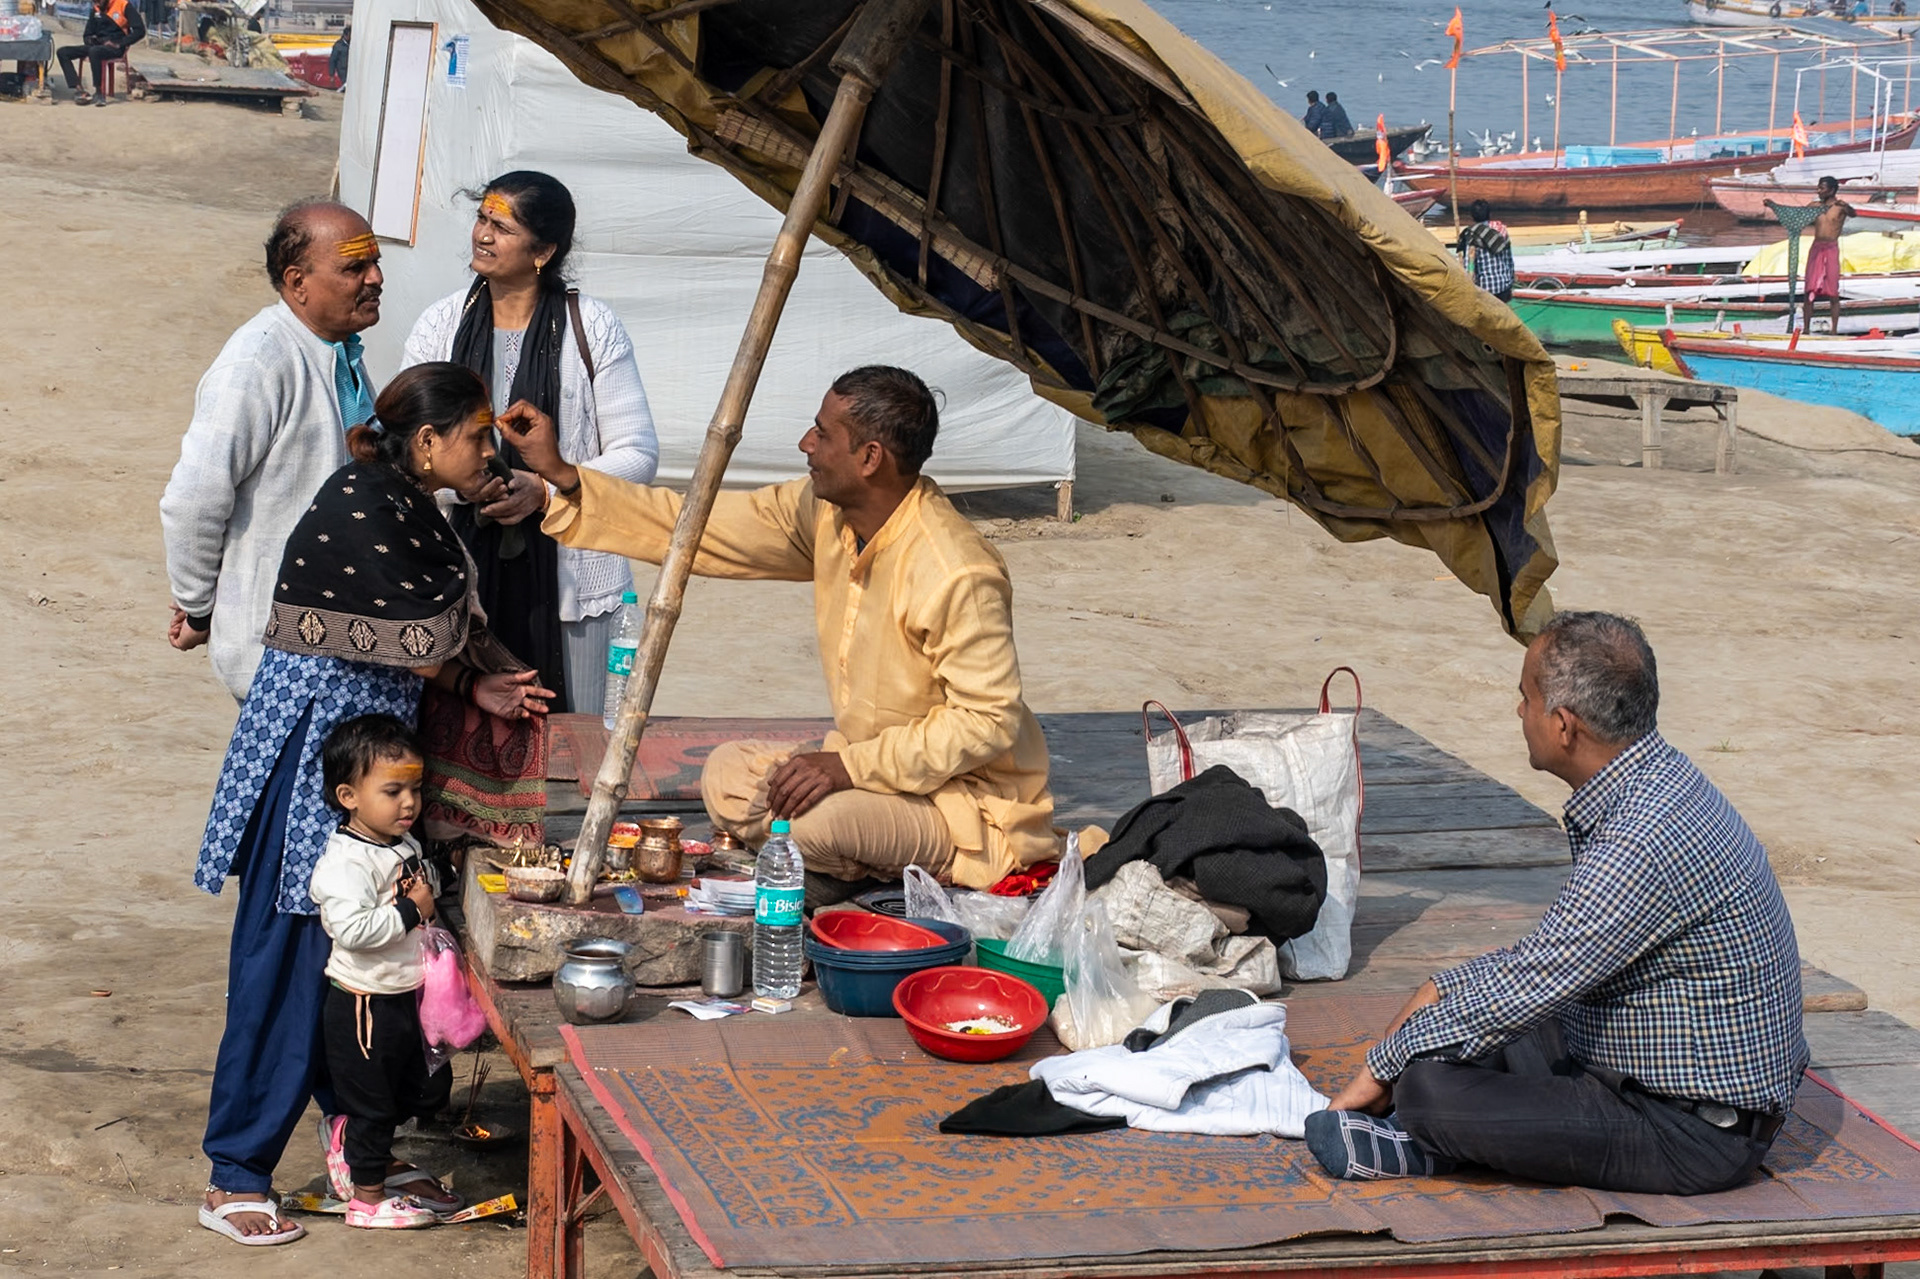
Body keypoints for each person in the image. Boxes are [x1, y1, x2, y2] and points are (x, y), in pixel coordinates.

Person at [191, 363, 553, 1246]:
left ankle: (360, 1157)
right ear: (428, 443)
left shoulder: (407, 505)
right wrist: (474, 676)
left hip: (366, 764)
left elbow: (424, 645)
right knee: (286, 962)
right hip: (319, 766)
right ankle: (235, 1173)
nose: (486, 449)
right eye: (475, 435)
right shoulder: (363, 506)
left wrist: (481, 685)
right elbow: (418, 631)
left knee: (351, 969)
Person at [498, 366, 1059, 903]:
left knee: (817, 823)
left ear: (869, 458)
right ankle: (847, 864)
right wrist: (565, 477)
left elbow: (986, 721)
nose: (805, 443)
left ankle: (862, 866)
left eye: (822, 432)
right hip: (868, 772)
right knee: (727, 775)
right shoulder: (825, 514)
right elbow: (700, 525)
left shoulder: (955, 569)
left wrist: (849, 769)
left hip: (963, 804)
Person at [1304, 612, 1806, 1196]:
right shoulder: (1659, 781)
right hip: (1646, 1066)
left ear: (1564, 726)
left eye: (1526, 697)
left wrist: (1385, 1064)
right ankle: (1458, 1124)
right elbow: (1553, 957)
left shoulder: (1641, 840)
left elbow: (1539, 978)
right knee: (1458, 1026)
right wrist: (1439, 992)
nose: (1519, 712)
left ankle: (1429, 1143)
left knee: (1427, 1090)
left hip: (1692, 1132)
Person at [401, 170, 659, 722]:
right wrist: (464, 486)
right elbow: (407, 447)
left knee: (580, 741)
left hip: (574, 582)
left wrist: (546, 487)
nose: (482, 235)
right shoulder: (441, 326)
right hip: (458, 573)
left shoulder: (592, 325)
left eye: (501, 226)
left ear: (543, 250)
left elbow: (637, 454)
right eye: (481, 219)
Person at [162, 201, 384, 702]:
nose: (375, 278)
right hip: (280, 656)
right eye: (354, 267)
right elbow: (194, 500)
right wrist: (198, 606)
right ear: (297, 281)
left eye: (375, 263)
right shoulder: (257, 363)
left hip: (335, 642)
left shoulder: (338, 352)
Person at [311, 714, 457, 1230]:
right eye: (392, 791)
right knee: (374, 1104)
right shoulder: (345, 863)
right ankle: (368, 1200)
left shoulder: (403, 843)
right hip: (363, 1003)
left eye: (415, 789)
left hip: (406, 993)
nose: (409, 803)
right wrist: (412, 912)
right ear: (349, 795)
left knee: (421, 1089)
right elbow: (352, 930)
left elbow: (419, 882)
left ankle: (352, 1143)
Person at [1769, 177, 1853, 333]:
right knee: (1809, 290)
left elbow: (1853, 214)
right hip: (1816, 248)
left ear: (1832, 190)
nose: (1818, 191)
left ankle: (1834, 330)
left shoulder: (1840, 207)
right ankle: (1806, 329)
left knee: (1833, 292)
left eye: (1822, 188)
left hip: (1831, 248)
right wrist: (1773, 206)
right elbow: (1796, 216)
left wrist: (1847, 207)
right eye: (1818, 188)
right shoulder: (1814, 207)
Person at [56, 0, 139, 105]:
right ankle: (79, 89)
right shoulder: (96, 9)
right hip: (97, 45)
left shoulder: (123, 5)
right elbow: (87, 35)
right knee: (63, 52)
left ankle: (99, 92)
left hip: (116, 47)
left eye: (99, 1)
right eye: (94, 1)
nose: (97, 3)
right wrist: (91, 40)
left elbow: (140, 31)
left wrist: (120, 43)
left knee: (94, 51)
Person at [1456, 200, 1515, 303]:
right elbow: (1509, 260)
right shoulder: (1502, 230)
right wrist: (1510, 282)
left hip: (1486, 289)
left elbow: (1469, 266)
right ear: (1489, 214)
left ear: (1472, 216)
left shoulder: (1472, 234)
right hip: (1504, 286)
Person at [327, 23, 350, 89]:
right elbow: (332, 60)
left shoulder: (351, 44)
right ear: (345, 36)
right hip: (342, 69)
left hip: (350, 69)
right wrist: (332, 74)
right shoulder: (338, 46)